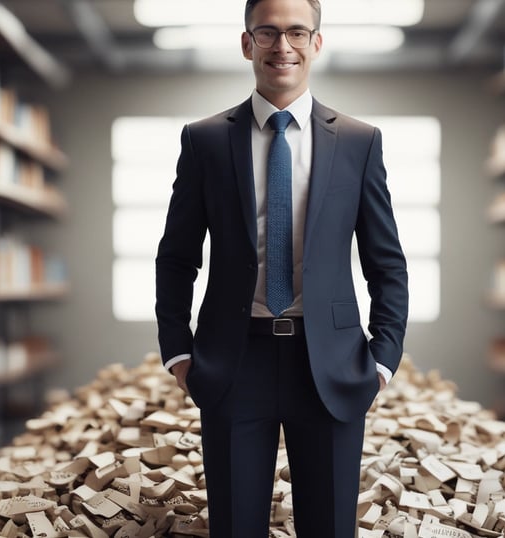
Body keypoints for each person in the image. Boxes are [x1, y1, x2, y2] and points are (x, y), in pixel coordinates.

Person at [155, 0, 409, 535]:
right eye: (267, 33)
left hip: (332, 365)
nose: (282, 46)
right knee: (235, 526)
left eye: (297, 32)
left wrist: (383, 360)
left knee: (329, 527)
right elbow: (177, 257)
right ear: (247, 43)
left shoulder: (359, 142)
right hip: (232, 361)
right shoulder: (204, 140)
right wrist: (179, 352)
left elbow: (386, 263)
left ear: (317, 43)